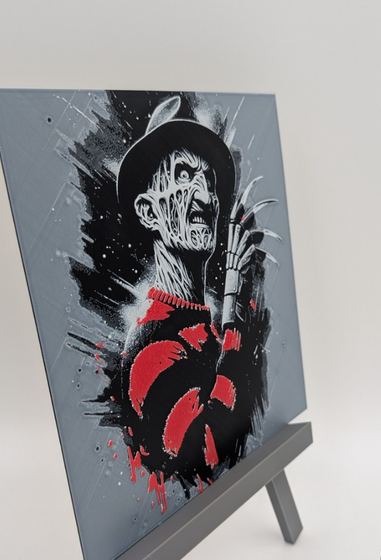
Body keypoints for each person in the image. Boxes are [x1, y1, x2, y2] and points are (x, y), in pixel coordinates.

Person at [115, 97, 275, 502]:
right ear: (148, 212)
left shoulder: (199, 328)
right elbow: (208, 450)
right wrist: (234, 318)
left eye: (210, 181)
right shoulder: (151, 348)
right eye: (184, 176)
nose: (205, 196)